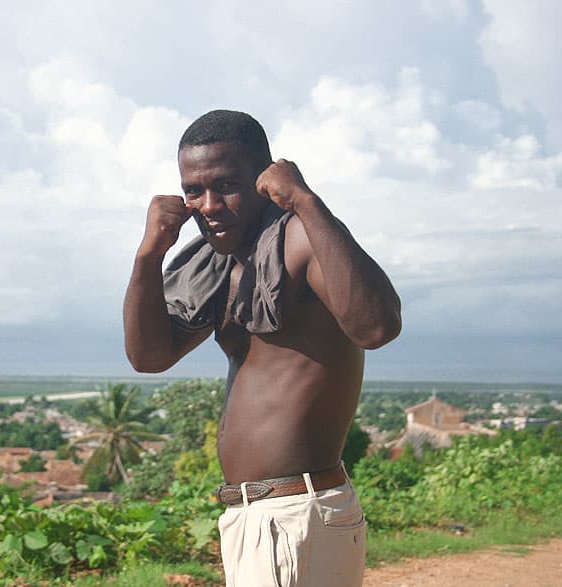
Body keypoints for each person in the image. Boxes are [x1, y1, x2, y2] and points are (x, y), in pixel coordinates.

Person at [123, 110, 401, 586]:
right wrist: (149, 254)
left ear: (264, 180)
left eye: (226, 185)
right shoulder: (219, 264)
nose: (208, 205)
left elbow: (376, 327)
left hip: (296, 515)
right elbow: (149, 357)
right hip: (263, 516)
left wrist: (307, 203)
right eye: (194, 190)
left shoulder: (299, 239)